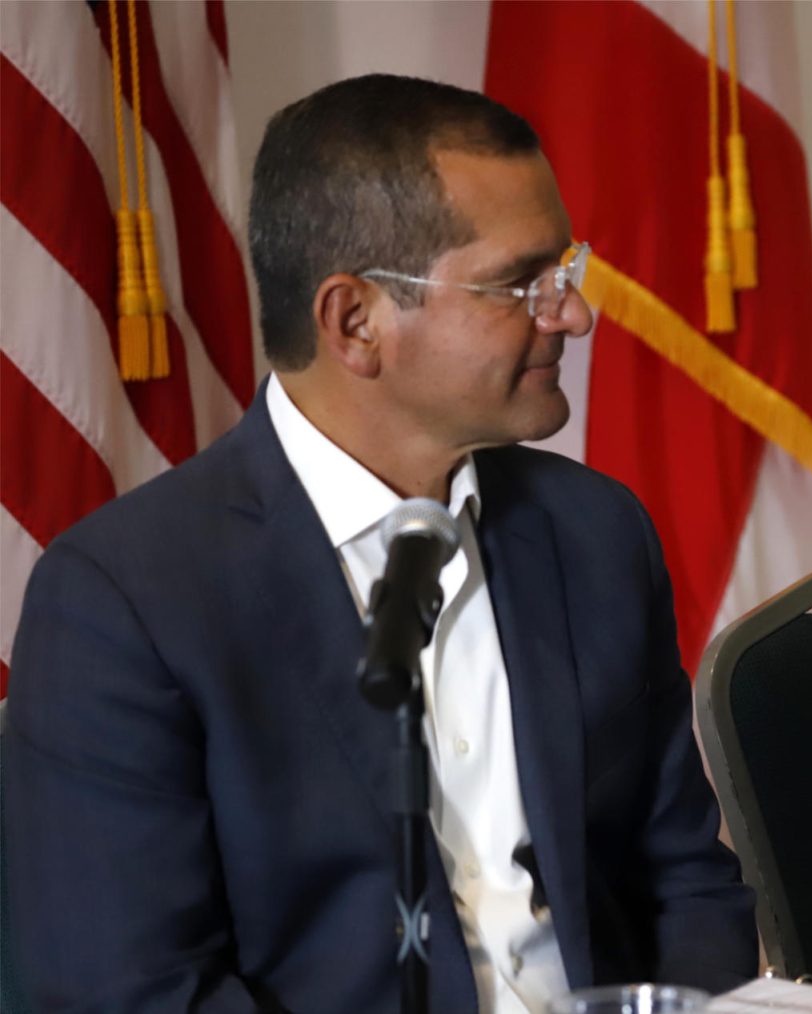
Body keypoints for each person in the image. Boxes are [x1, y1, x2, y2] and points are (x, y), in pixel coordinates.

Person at [2, 74, 756, 1011]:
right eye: (521, 283)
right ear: (355, 322)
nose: (572, 312)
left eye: (566, 269)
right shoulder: (125, 603)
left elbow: (683, 879)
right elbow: (134, 993)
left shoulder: (597, 533)